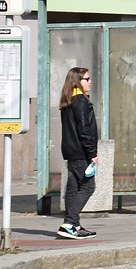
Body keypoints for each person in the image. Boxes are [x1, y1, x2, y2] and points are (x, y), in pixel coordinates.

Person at [57, 66, 99, 240]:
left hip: (71, 150)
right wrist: (92, 152)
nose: (90, 82)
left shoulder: (68, 100)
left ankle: (74, 225)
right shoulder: (80, 100)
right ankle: (69, 223)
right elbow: (84, 129)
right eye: (86, 79)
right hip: (81, 151)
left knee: (73, 187)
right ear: (77, 81)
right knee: (88, 186)